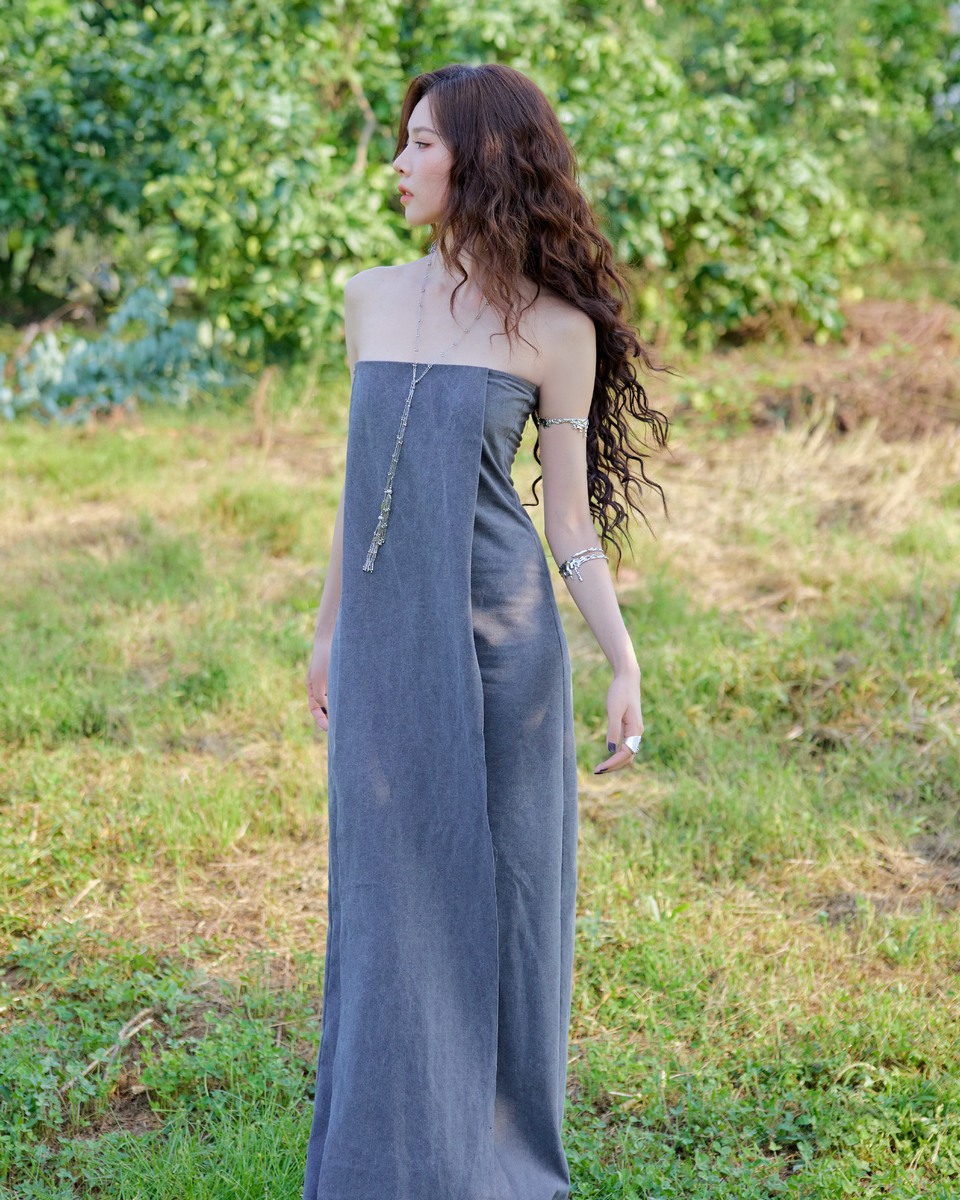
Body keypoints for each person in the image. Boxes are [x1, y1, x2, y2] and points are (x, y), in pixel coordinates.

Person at [302, 61, 668, 1200]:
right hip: (386, 641)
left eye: (422, 143)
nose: (399, 163)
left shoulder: (556, 329)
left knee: (508, 899)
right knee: (386, 895)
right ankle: (383, 1161)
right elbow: (362, 487)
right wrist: (327, 629)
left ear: (483, 159)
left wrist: (622, 657)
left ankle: (497, 1165)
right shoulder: (369, 298)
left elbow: (568, 526)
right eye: (403, 140)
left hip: (507, 649)